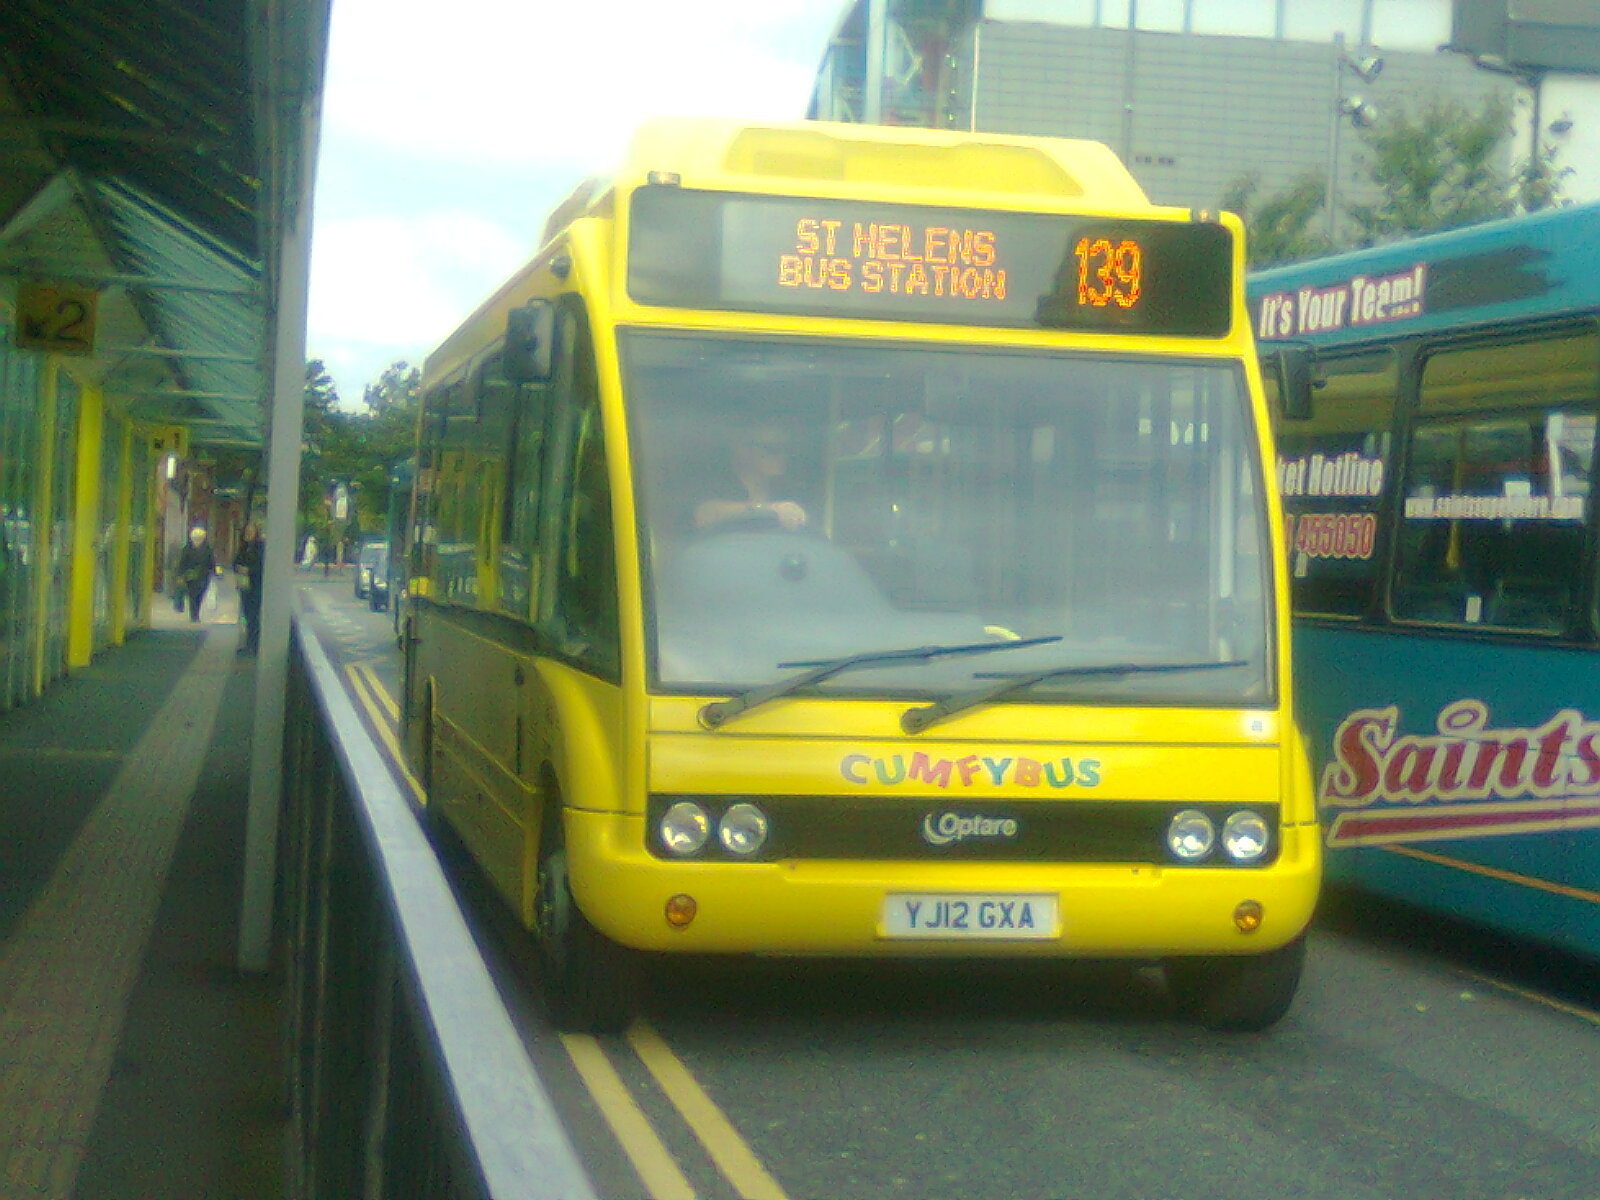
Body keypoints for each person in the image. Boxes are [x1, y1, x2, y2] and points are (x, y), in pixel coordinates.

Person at [693, 426, 809, 531]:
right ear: (742, 450)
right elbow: (704, 515)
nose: (783, 455)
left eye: (786, 449)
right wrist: (769, 510)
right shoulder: (716, 484)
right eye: (773, 448)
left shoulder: (787, 493)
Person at [233, 520, 265, 654]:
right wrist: (238, 567)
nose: (248, 534)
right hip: (244, 586)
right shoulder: (243, 547)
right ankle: (248, 644)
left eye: (251, 532)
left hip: (256, 587)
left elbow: (262, 567)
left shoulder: (260, 548)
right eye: (246, 532)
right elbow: (235, 561)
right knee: (246, 616)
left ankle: (255, 645)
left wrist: (249, 571)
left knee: (254, 617)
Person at [175, 526, 217, 622]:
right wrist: (180, 574)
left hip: (204, 576)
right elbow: (182, 562)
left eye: (199, 538)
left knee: (200, 595)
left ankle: (195, 613)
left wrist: (217, 572)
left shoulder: (207, 549)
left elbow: (212, 562)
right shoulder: (187, 549)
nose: (197, 540)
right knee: (193, 595)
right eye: (195, 538)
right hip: (191, 576)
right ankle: (194, 615)